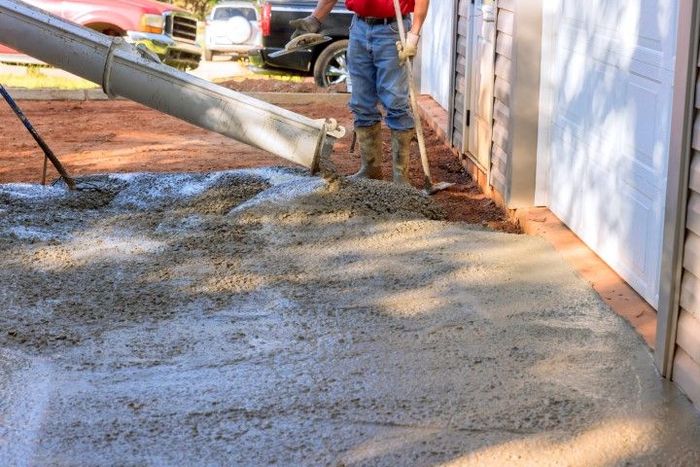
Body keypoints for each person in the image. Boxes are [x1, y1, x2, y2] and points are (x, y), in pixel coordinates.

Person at [290, 0, 430, 185]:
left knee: (396, 102)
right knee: (361, 103)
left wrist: (414, 34)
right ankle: (371, 170)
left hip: (393, 29)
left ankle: (400, 177)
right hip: (359, 28)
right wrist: (315, 19)